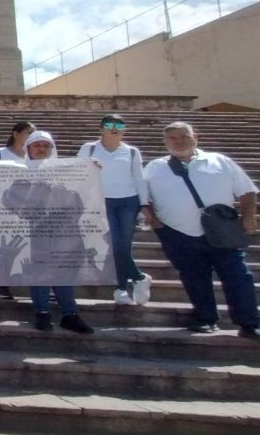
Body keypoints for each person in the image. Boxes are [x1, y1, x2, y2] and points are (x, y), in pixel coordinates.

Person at [144, 121, 258, 338]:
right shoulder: (154, 167)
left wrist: (249, 217)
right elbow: (142, 197)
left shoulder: (219, 161)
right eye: (172, 138)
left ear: (195, 136)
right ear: (165, 142)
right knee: (194, 277)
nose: (178, 142)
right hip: (178, 232)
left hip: (221, 230)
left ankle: (249, 322)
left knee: (237, 275)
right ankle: (206, 318)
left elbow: (247, 190)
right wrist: (154, 221)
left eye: (183, 136)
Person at [23, 131, 94, 335]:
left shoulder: (66, 171)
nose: (41, 149)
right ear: (28, 149)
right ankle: (42, 312)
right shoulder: (17, 171)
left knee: (64, 270)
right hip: (35, 229)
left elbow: (80, 199)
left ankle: (69, 314)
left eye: (46, 145)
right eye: (37, 145)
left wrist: (92, 169)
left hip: (64, 229)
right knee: (39, 270)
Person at [77, 114, 152, 306]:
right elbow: (76, 171)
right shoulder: (89, 148)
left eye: (119, 125)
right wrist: (88, 166)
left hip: (128, 201)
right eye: (109, 125)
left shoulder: (132, 151)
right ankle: (139, 277)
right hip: (102, 201)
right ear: (101, 129)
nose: (114, 128)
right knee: (115, 245)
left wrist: (144, 205)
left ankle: (120, 289)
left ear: (124, 129)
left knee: (123, 247)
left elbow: (139, 178)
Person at [0, 121, 36, 300]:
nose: (31, 136)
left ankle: (40, 287)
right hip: (4, 207)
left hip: (30, 208)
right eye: (28, 132)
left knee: (32, 248)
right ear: (16, 134)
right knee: (6, 246)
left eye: (34, 133)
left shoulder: (35, 155)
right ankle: (2, 284)